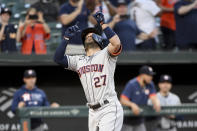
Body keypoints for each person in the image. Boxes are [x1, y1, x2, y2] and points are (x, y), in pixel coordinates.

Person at [54, 12, 123, 131]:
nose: (89, 35)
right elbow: (58, 59)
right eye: (86, 36)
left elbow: (116, 43)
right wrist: (66, 38)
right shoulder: (78, 60)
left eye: (92, 35)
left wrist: (103, 24)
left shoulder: (106, 53)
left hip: (109, 107)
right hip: (92, 111)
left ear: (100, 40)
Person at [120, 65, 161, 131]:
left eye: (151, 75)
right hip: (127, 120)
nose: (151, 77)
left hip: (139, 120)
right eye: (149, 75)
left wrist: (156, 102)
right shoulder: (132, 84)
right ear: (142, 75)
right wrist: (132, 105)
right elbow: (123, 100)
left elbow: (153, 97)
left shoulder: (150, 84)